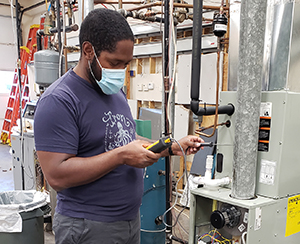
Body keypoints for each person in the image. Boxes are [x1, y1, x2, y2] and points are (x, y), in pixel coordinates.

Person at [34, 8, 203, 244]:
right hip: (88, 226)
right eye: (114, 62)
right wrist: (121, 156)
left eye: (126, 64)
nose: (120, 71)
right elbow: (57, 176)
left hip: (129, 220)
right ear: (88, 51)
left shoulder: (113, 90)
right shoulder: (60, 100)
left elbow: (126, 141)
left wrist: (170, 147)